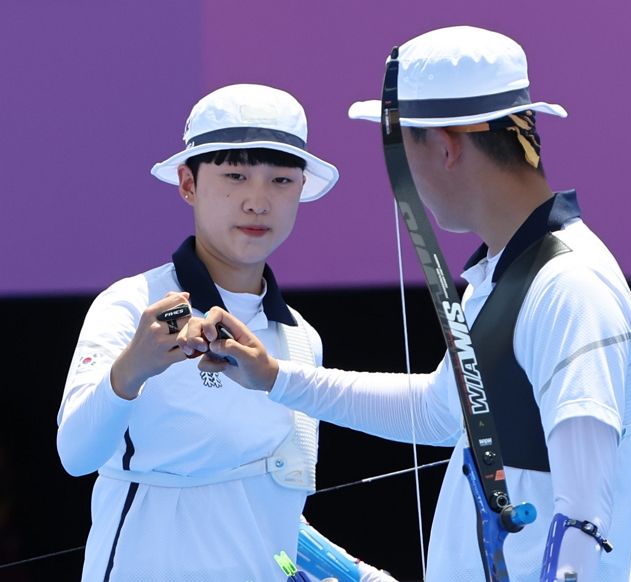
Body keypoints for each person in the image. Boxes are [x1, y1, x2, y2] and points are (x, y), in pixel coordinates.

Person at [179, 27, 631, 582]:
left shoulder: (568, 286)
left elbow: (583, 522)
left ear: (446, 146)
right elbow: (438, 410)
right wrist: (275, 376)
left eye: (403, 151)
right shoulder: (507, 276)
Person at [57, 84, 394, 582]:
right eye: (235, 175)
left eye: (281, 180)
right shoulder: (132, 304)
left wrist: (354, 573)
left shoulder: (301, 336)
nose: (258, 202)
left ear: (301, 189)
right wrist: (134, 368)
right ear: (188, 184)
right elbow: (75, 455)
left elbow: (269, 499)